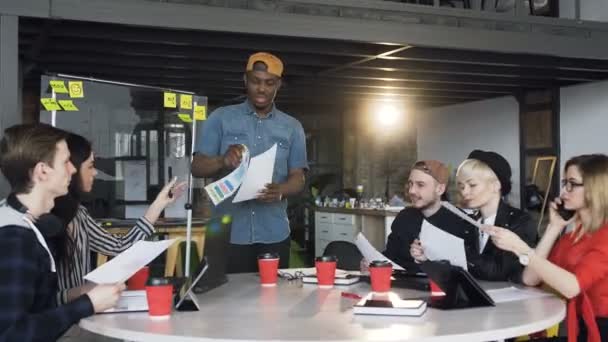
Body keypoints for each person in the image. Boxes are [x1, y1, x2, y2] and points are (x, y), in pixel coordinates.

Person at [0, 123, 123, 341]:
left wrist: (74, 295)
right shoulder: (16, 238)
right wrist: (88, 304)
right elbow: (12, 334)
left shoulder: (20, 220)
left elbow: (32, 307)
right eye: (66, 162)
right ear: (42, 171)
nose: (73, 169)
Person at [192, 52, 308, 272]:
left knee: (273, 300)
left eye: (269, 83)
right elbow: (197, 167)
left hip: (274, 233)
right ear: (245, 80)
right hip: (228, 232)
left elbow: (298, 177)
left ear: (278, 85)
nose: (261, 89)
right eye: (255, 81)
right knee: (227, 301)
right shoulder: (221, 118)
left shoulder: (292, 127)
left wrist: (281, 189)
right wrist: (222, 160)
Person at [50, 132, 186, 304]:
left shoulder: (79, 214)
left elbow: (119, 246)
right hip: (65, 319)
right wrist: (85, 291)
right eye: (90, 166)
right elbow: (41, 302)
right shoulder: (40, 220)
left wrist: (158, 205)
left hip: (82, 314)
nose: (96, 173)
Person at [486, 154, 608, 342]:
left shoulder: (604, 236)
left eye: (572, 184)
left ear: (595, 189)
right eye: (564, 182)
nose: (564, 191)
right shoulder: (572, 237)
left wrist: (522, 249)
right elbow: (531, 278)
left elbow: (572, 287)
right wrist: (554, 228)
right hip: (581, 329)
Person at [383, 160, 478, 273]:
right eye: (410, 184)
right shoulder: (404, 217)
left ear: (440, 189)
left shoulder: (461, 223)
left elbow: (464, 269)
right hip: (401, 286)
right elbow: (389, 256)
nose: (412, 191)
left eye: (420, 185)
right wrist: (374, 262)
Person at [456, 149, 536, 282]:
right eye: (461, 186)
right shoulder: (467, 222)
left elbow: (499, 272)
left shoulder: (520, 221)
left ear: (496, 185)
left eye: (472, 185)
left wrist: (456, 252)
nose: (465, 192)